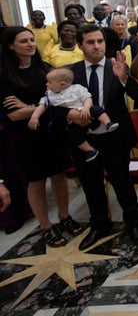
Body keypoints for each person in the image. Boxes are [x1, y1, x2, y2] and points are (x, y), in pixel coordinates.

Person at [0, 27, 83, 247]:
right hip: (27, 135)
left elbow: (64, 100)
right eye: (23, 41)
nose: (30, 44)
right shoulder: (5, 77)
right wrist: (43, 106)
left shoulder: (44, 69)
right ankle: (46, 226)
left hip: (51, 131)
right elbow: (14, 114)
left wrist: (34, 106)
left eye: (31, 40)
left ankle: (65, 216)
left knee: (59, 175)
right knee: (36, 181)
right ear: (10, 46)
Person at [68, 25, 138, 250]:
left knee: (123, 184)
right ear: (80, 45)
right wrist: (72, 115)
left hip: (114, 139)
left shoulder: (117, 67)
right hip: (85, 141)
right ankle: (99, 226)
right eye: (90, 42)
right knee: (92, 186)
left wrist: (123, 80)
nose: (97, 46)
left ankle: (134, 224)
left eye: (100, 41)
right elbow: (59, 104)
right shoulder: (71, 72)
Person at [28, 68, 119, 162]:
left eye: (50, 82)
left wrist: (86, 108)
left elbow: (87, 98)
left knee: (97, 110)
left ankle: (108, 123)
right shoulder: (49, 94)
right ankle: (90, 150)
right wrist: (35, 117)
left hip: (84, 109)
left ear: (62, 84)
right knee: (74, 136)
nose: (47, 84)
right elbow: (42, 106)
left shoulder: (77, 88)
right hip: (72, 121)